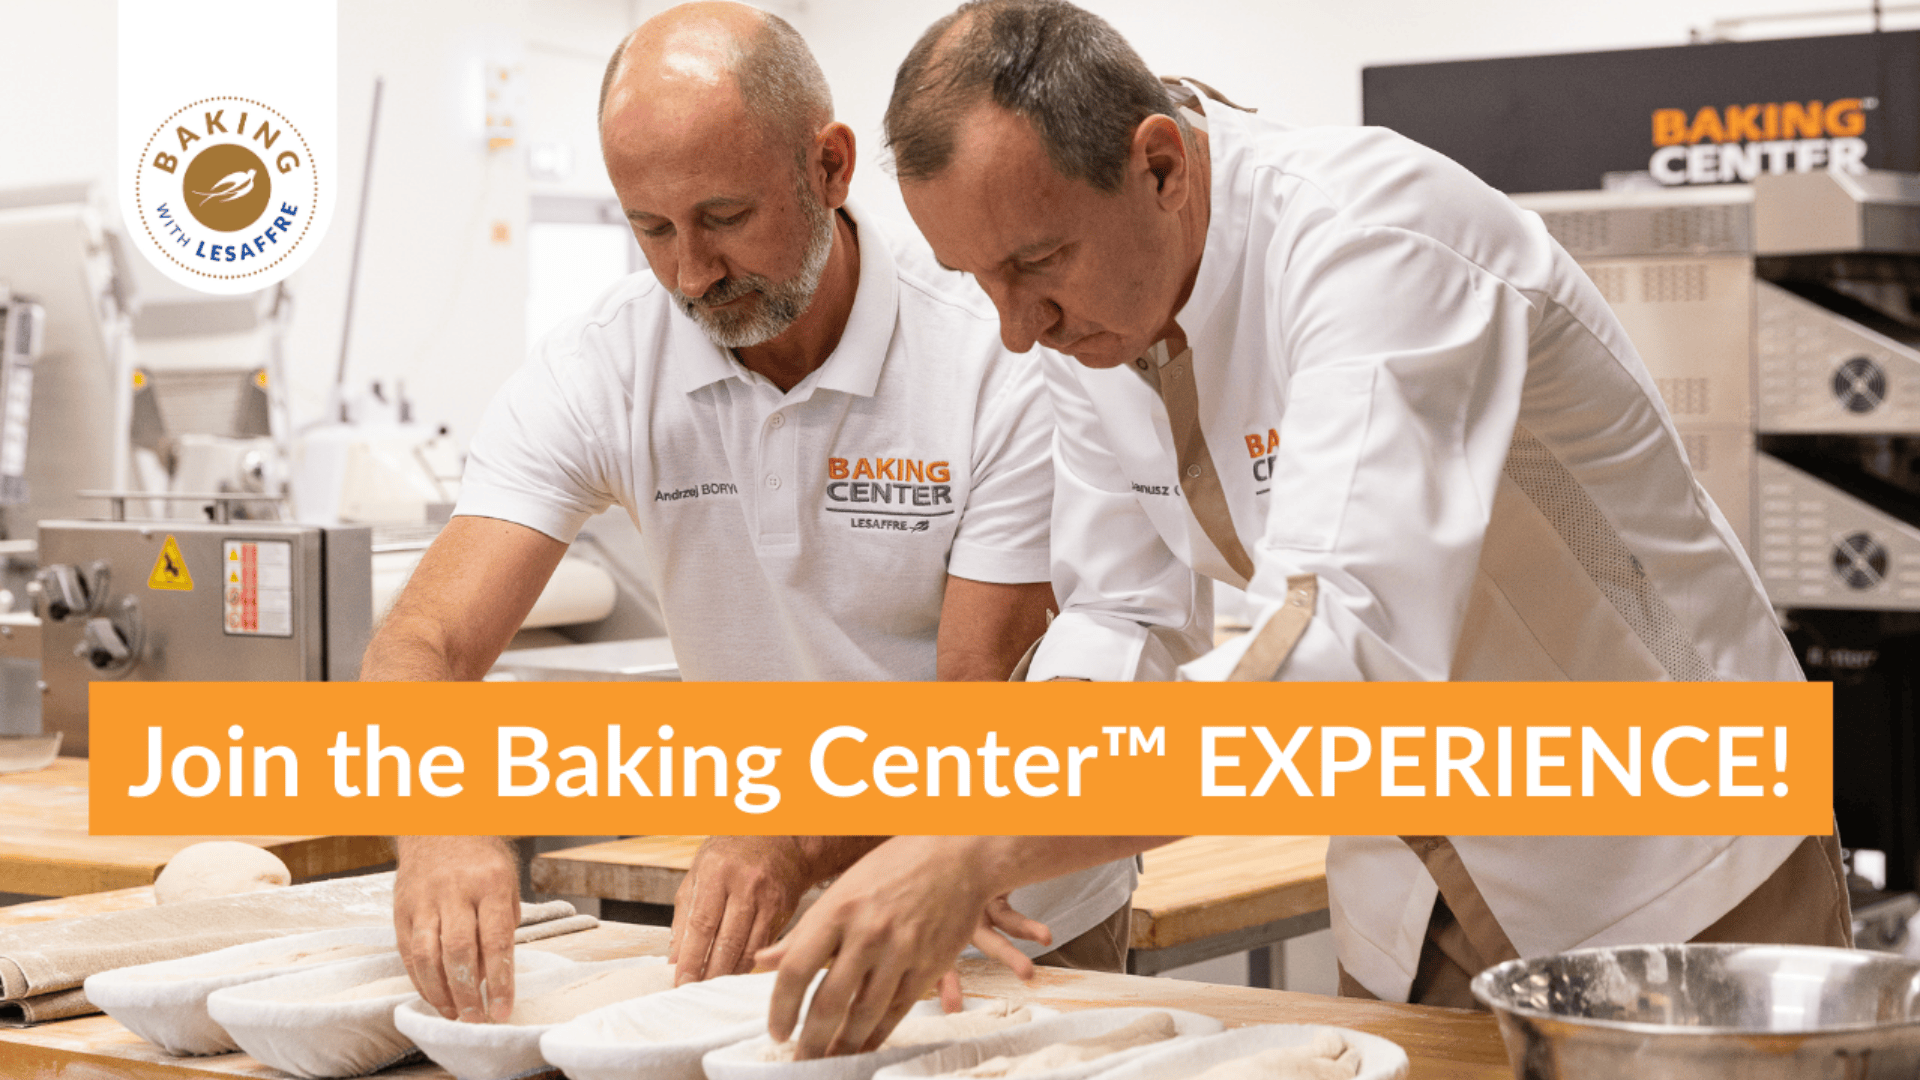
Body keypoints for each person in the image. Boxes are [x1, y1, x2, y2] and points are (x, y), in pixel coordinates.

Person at [757, 0, 1851, 1057]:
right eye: (977, 280)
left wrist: (981, 843)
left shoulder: (1376, 242)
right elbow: (1123, 612)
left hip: (1673, 858)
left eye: (1036, 267)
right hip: (1422, 884)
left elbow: (1341, 647)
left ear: (1162, 166)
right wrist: (999, 804)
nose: (1015, 327)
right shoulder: (1092, 316)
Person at [368, 0, 1136, 1027]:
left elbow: (974, 719)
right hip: (761, 920)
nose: (692, 273)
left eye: (725, 218)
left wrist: (790, 834)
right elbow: (423, 642)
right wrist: (441, 823)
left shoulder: (991, 356)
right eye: (651, 228)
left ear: (828, 166)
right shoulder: (604, 368)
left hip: (999, 911)